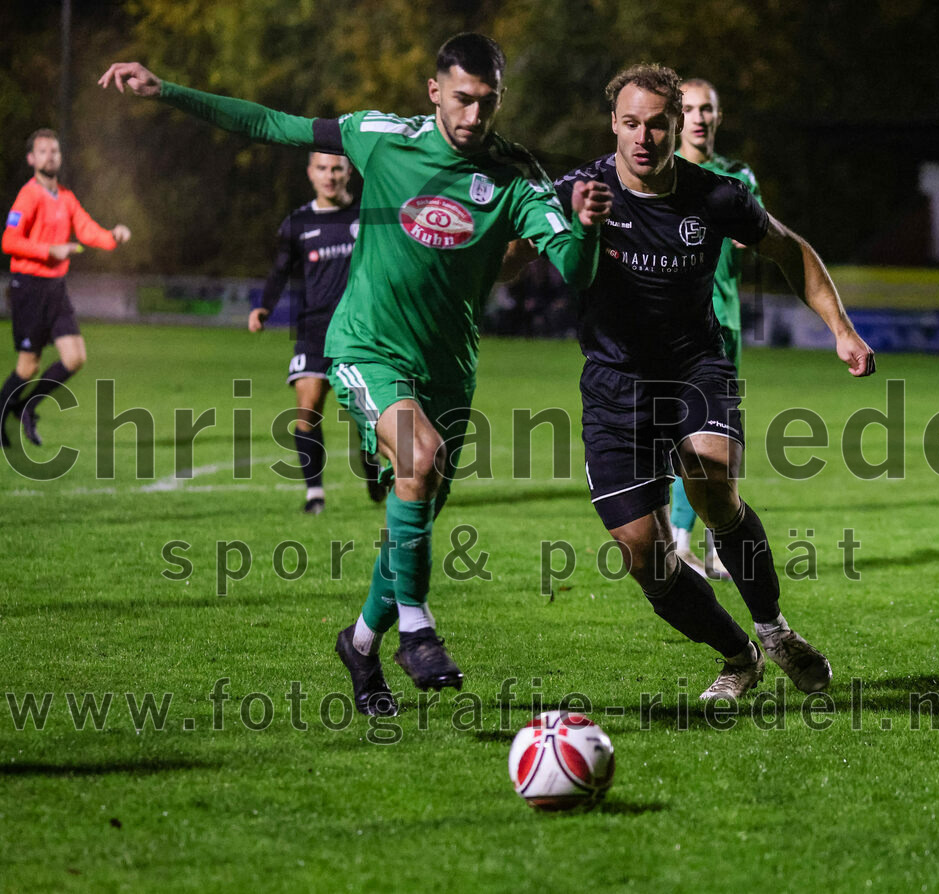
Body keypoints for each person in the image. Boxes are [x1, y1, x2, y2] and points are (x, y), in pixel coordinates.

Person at [99, 34, 612, 715]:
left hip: (450, 369)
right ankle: (418, 629)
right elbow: (270, 124)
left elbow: (576, 270)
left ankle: (362, 643)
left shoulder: (513, 172)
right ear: (434, 91)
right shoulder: (380, 136)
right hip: (367, 346)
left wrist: (587, 226)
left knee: (415, 509)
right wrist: (168, 90)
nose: (473, 116)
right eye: (461, 99)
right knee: (418, 460)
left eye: (487, 104)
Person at [505, 64, 875, 701]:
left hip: (694, 368)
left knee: (712, 486)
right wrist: (522, 238)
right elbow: (506, 258)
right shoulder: (578, 189)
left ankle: (775, 629)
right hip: (614, 384)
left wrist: (840, 329)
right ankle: (739, 655)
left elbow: (793, 251)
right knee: (644, 555)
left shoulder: (717, 195)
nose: (643, 137)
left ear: (678, 125)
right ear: (613, 126)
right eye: (630, 124)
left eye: (657, 124)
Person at [250, 151, 386, 512]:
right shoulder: (298, 223)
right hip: (314, 329)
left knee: (365, 415)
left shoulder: (366, 217)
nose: (330, 175)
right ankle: (315, 494)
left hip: (361, 332)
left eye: (337, 168)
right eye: (322, 169)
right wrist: (263, 306)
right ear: (310, 174)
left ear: (348, 173)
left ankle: (373, 471)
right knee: (307, 410)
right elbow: (280, 269)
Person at [668, 78, 760, 579]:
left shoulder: (737, 175)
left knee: (725, 436)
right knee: (687, 433)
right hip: (682, 324)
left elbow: (755, 236)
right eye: (691, 109)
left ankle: (712, 543)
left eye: (708, 108)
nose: (700, 117)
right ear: (678, 117)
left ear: (719, 116)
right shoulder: (667, 174)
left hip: (727, 322)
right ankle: (679, 541)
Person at [1, 128, 131, 448]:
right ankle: (3, 414)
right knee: (27, 367)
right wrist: (49, 251)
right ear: (32, 159)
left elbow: (87, 230)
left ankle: (27, 406)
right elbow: (9, 240)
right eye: (43, 151)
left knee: (74, 358)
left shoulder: (66, 198)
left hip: (56, 289)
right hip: (29, 287)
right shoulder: (28, 196)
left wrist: (112, 236)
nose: (50, 156)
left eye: (55, 151)